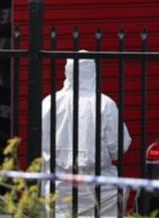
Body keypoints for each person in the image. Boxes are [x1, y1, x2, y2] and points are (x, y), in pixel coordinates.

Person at [41, 53, 132, 217]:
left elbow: (39, 143)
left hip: (59, 186)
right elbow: (119, 148)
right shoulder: (105, 104)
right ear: (93, 72)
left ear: (67, 71)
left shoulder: (48, 103)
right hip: (100, 189)